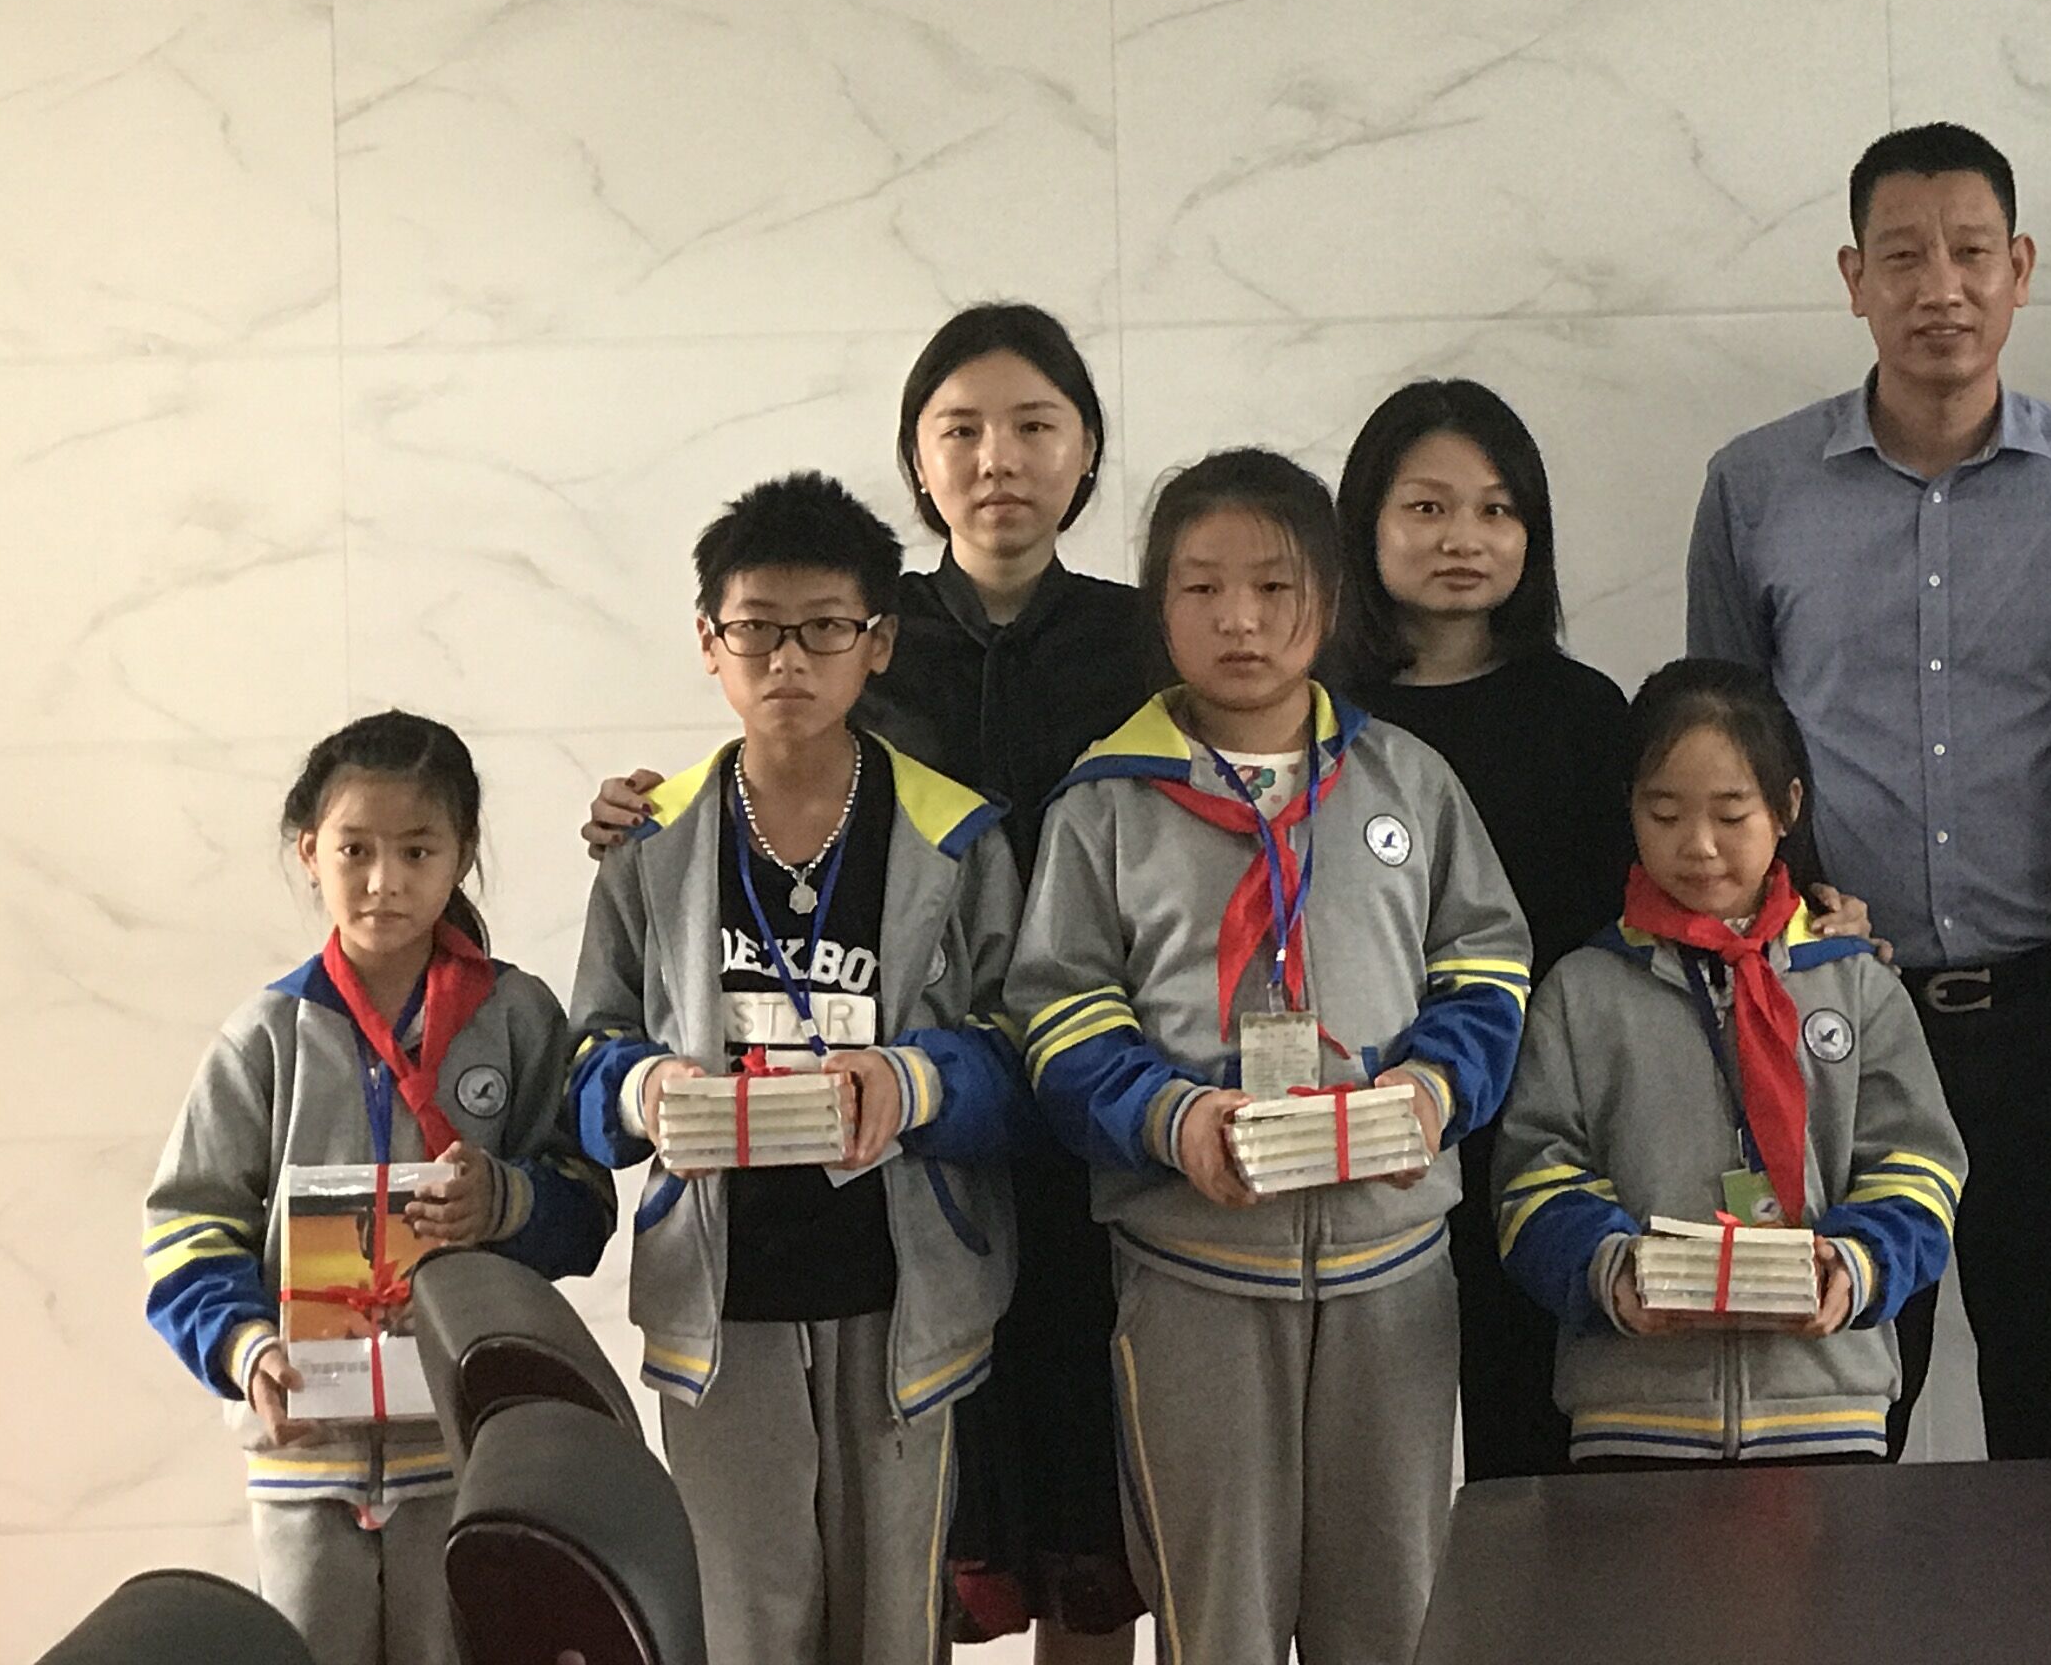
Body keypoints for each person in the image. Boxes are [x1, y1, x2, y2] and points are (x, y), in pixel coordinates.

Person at [585, 306, 1157, 1659]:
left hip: (1084, 1130)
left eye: (1035, 425)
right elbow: (611, 1025)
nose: (998, 457)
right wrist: (646, 819)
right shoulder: (828, 664)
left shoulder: (1143, 645)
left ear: (1087, 450)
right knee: (865, 1574)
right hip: (839, 1203)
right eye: (962, 429)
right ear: (916, 457)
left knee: (1073, 1532)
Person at [1685, 122, 2051, 1460]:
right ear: (1854, 277)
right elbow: (1718, 756)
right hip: (1835, 1010)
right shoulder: (1755, 487)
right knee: (1842, 1406)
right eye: (1903, 257)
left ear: (2022, 268)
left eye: (1971, 253)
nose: (1940, 288)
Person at [1006, 450, 1529, 1665]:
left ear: (1330, 603)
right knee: (1216, 1618)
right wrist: (1170, 1120)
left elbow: (1489, 965)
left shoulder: (1407, 781)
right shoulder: (1106, 803)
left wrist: (1435, 1089)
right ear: (1160, 608)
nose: (1240, 619)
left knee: (1393, 1612)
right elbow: (1058, 1011)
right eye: (1202, 588)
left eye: (1275, 587)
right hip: (1193, 1273)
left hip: (1391, 1271)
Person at [569, 475, 1030, 1665]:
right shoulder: (651, 840)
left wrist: (912, 1084)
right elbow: (587, 1053)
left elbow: (1021, 1054)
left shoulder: (954, 834)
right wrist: (642, 1093)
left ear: (878, 643)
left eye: (824, 627)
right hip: (723, 1298)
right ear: (707, 642)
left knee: (895, 1627)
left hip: (903, 1289)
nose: (787, 659)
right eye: (756, 628)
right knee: (746, 1622)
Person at [146, 714, 613, 1665]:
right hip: (305, 1455)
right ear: (310, 852)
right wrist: (244, 1346)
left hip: (467, 1450)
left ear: (462, 855)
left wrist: (505, 1203)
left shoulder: (516, 1018)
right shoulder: (266, 1036)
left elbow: (585, 1206)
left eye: (417, 851)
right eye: (355, 850)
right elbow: (188, 1227)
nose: (384, 880)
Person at [1493, 661, 1967, 1466]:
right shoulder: (1583, 991)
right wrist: (1611, 1271)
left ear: (1788, 807)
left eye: (1731, 813)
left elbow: (1919, 1165)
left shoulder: (1856, 986)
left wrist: (1855, 1264)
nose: (1699, 845)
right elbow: (1533, 1176)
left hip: (1827, 1406)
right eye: (1665, 812)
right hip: (1636, 1413)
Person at [1327, 379, 1637, 1482]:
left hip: (1546, 1130)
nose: (1464, 538)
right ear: (1365, 523)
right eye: (1427, 507)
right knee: (1365, 1460)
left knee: (1533, 1453)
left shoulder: (1588, 714)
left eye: (1497, 510)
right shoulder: (1314, 714)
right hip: (1358, 1126)